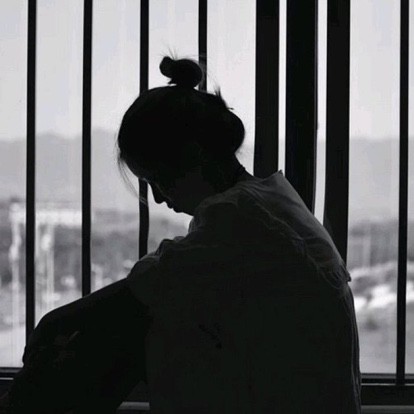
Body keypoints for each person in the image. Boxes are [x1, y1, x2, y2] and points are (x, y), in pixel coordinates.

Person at [0, 56, 361, 413]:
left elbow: (140, 292)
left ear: (192, 156)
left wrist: (51, 326)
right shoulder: (273, 204)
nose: (159, 198)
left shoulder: (239, 218)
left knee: (130, 327)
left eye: (158, 180)